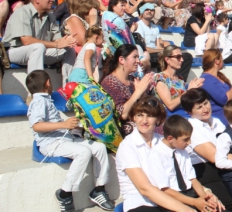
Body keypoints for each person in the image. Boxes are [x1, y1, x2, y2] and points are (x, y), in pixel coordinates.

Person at [26, 70, 114, 211]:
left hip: (65, 139)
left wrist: (75, 126)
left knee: (99, 148)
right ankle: (65, 193)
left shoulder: (45, 100)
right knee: (83, 152)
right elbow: (36, 126)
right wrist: (64, 124)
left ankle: (99, 188)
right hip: (51, 143)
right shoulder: (38, 101)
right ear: (48, 83)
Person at [116, 96, 196, 212]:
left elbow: (184, 174)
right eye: (140, 115)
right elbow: (145, 189)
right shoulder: (127, 146)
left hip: (170, 199)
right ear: (133, 117)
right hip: (141, 203)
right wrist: (187, 209)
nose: (144, 121)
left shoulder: (163, 141)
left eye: (150, 116)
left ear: (158, 119)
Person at [145, 115, 224, 211]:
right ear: (170, 138)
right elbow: (165, 190)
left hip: (190, 193)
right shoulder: (156, 156)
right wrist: (195, 202)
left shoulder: (182, 151)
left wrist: (206, 199)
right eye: (185, 139)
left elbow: (193, 180)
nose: (189, 142)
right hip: (173, 199)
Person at [3, 0, 77, 80]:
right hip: (14, 51)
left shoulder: (50, 16)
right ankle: (37, 90)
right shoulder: (23, 12)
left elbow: (57, 40)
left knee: (69, 50)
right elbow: (26, 41)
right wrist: (56, 44)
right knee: (38, 47)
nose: (52, 0)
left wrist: (67, 41)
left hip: (39, 51)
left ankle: (69, 87)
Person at [100, 44, 155, 136]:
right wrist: (138, 92)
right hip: (122, 126)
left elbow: (146, 107)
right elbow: (122, 115)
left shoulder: (133, 79)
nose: (138, 61)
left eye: (138, 57)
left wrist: (142, 94)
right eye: (135, 57)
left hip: (139, 120)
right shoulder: (109, 81)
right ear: (121, 60)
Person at [151, 45, 203, 121]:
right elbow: (170, 105)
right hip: (171, 119)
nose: (181, 60)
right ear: (167, 59)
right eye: (178, 57)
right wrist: (188, 91)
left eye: (182, 57)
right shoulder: (160, 78)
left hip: (185, 115)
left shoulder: (180, 79)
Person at [198, 49, 232, 125]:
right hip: (220, 119)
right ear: (217, 61)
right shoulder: (206, 79)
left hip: (230, 115)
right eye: (221, 58)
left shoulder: (218, 76)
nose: (223, 61)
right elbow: (224, 99)